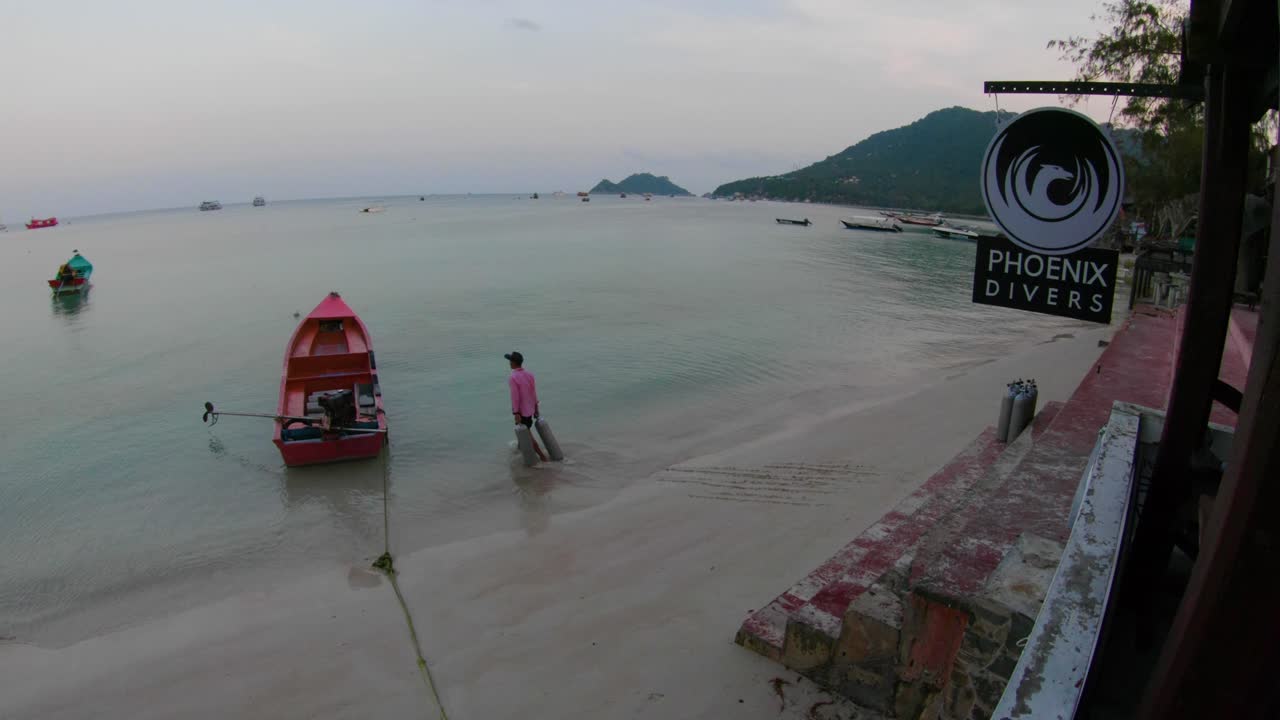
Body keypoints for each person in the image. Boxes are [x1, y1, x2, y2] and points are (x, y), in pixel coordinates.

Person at [505, 351, 547, 462]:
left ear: (514, 363)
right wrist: (536, 408)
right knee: (523, 433)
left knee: (528, 436)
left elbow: (515, 397)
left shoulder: (513, 377)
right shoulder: (529, 375)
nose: (509, 363)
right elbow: (533, 392)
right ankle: (519, 451)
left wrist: (516, 413)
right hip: (531, 409)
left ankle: (543, 457)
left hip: (522, 412)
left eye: (510, 361)